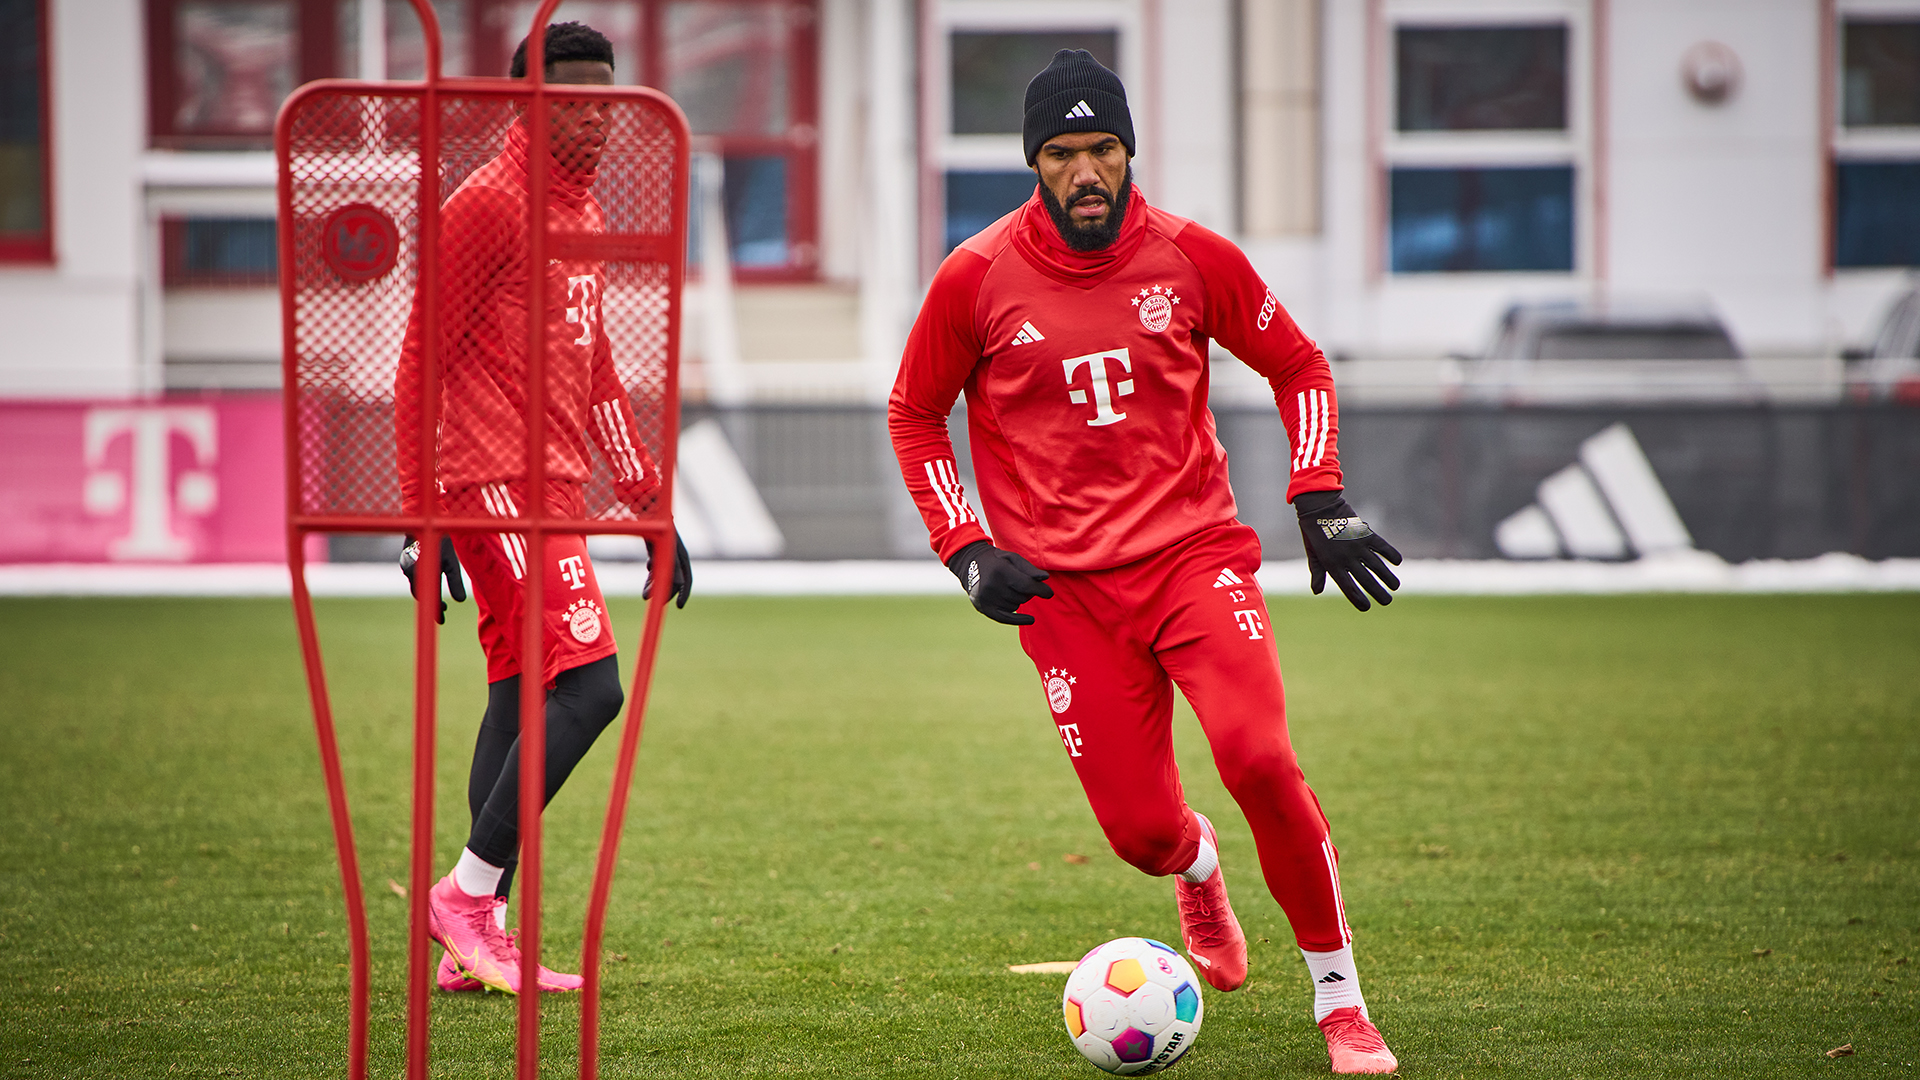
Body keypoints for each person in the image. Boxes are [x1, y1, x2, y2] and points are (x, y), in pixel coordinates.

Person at [887, 50, 1402, 1074]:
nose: (1088, 173)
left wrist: (1320, 490)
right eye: (1066, 153)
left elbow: (1298, 364)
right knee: (1138, 833)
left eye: (1105, 150)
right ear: (1035, 162)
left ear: (1130, 154)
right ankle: (1197, 866)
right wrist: (966, 549)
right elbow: (914, 414)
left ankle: (1340, 1000)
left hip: (1192, 560)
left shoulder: (1192, 257)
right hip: (1063, 595)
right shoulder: (976, 276)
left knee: (1260, 758)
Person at [392, 21, 692, 996]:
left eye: (605, 98)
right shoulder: (487, 204)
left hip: (548, 484)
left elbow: (598, 369)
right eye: (570, 99)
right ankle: (469, 897)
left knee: (519, 694)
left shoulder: (583, 203)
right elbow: (417, 358)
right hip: (491, 480)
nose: (595, 118)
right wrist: (414, 517)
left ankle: (474, 945)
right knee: (590, 686)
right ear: (524, 103)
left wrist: (650, 504)